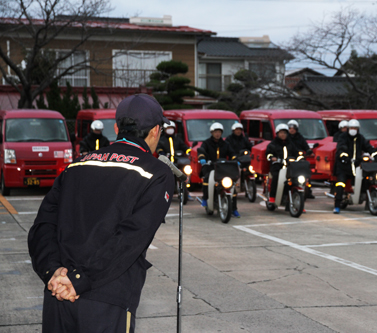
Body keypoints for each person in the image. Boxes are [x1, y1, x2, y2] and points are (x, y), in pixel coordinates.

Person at [28, 94, 175, 333]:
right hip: (107, 297)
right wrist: (79, 281)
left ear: (117, 127)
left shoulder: (76, 165)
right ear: (156, 131)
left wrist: (53, 271)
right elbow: (132, 237)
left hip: (58, 294)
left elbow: (42, 226)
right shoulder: (156, 172)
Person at [333, 119, 377, 214]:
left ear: (358, 129)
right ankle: (337, 205)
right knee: (341, 183)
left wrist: (375, 154)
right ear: (348, 128)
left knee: (367, 180)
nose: (353, 129)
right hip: (343, 166)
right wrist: (344, 156)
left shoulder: (360, 138)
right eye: (351, 128)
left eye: (355, 128)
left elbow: (368, 147)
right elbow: (341, 147)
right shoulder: (343, 137)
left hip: (356, 165)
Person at [198, 123, 240, 217]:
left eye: (219, 132)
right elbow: (201, 150)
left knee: (232, 185)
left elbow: (232, 153)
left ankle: (234, 209)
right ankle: (205, 199)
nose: (217, 134)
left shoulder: (225, 144)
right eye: (215, 132)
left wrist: (235, 160)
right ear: (212, 132)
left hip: (223, 168)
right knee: (207, 178)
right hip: (210, 166)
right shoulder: (207, 143)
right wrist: (202, 158)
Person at [265, 123, 299, 205]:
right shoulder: (273, 144)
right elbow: (268, 154)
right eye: (281, 133)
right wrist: (272, 157)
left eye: (285, 133)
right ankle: (272, 197)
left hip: (289, 166)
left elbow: (296, 154)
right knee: (276, 177)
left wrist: (299, 158)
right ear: (277, 133)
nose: (283, 134)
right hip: (277, 166)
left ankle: (298, 200)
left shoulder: (291, 144)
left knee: (296, 179)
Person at [288, 119, 315, 199]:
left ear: (296, 129)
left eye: (293, 128)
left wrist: (309, 151)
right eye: (290, 128)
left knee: (306, 171)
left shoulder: (300, 137)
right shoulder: (286, 138)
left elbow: (306, 146)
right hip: (288, 159)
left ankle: (308, 191)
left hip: (299, 159)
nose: (292, 130)